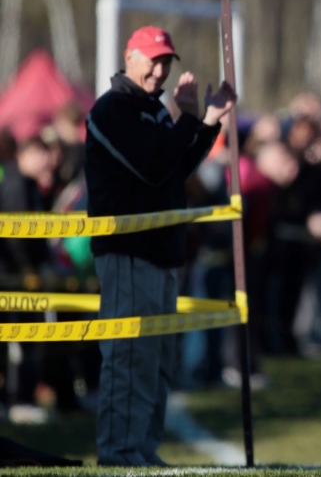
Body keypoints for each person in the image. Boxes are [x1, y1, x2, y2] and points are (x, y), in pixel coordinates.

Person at [84, 26, 236, 466]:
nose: (161, 68)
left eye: (167, 60)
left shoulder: (151, 110)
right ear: (129, 57)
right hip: (129, 251)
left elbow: (176, 166)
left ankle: (142, 450)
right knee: (129, 357)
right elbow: (152, 168)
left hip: (163, 250)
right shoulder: (112, 109)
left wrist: (206, 121)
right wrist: (186, 117)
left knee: (156, 361)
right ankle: (118, 452)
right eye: (152, 58)